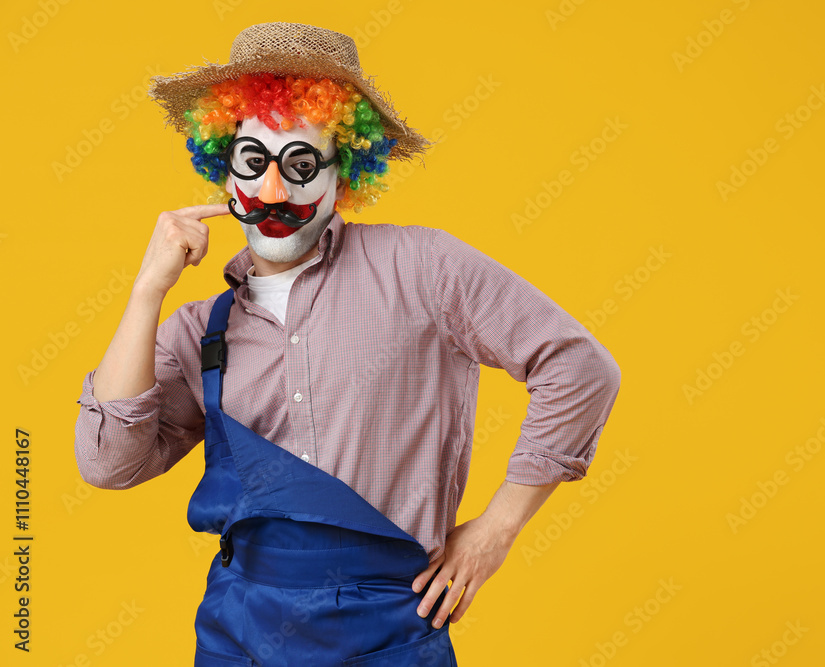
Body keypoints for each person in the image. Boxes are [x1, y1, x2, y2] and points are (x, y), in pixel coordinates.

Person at [74, 22, 621, 666]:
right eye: (254, 163)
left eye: (302, 164)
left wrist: (498, 528)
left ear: (345, 172)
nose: (275, 191)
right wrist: (147, 292)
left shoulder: (424, 267)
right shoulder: (200, 328)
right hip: (237, 632)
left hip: (389, 625)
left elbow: (580, 365)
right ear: (223, 171)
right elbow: (108, 462)